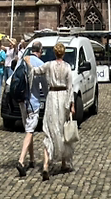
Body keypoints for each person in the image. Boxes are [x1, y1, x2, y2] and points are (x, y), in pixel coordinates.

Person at [36, 41, 76, 180]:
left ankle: (46, 165)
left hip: (52, 97)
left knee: (49, 131)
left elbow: (36, 71)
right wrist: (72, 104)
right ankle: (64, 163)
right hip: (63, 97)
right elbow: (70, 87)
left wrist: (28, 62)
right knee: (63, 130)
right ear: (63, 53)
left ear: (54, 53)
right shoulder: (67, 67)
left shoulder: (49, 65)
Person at [14, 40, 46, 178]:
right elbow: (44, 85)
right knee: (29, 131)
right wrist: (48, 97)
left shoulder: (22, 60)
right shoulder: (40, 64)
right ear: (40, 51)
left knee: (29, 129)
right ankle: (21, 160)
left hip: (22, 101)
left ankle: (32, 159)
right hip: (33, 101)